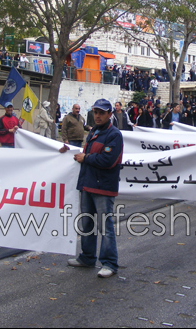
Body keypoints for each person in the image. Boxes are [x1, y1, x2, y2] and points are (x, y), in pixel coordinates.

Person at [65, 99, 123, 278]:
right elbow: (84, 155)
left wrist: (86, 158)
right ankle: (87, 257)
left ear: (109, 114)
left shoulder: (114, 135)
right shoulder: (93, 132)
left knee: (105, 226)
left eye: (101, 113)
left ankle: (109, 263)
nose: (97, 116)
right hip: (88, 184)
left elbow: (108, 160)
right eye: (96, 112)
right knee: (87, 224)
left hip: (103, 187)